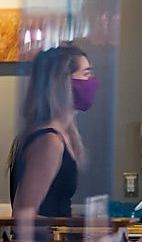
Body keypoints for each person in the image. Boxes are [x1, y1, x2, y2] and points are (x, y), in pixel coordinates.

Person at [8, 46, 97, 218]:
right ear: (63, 82)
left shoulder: (64, 135)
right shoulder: (49, 141)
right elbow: (23, 216)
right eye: (86, 74)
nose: (92, 81)